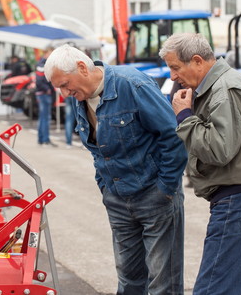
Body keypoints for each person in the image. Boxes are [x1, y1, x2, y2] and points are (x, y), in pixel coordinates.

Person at [44, 44, 188, 295]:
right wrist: (105, 187)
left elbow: (173, 136)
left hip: (155, 196)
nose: (65, 93)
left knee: (163, 282)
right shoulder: (82, 99)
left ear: (82, 68)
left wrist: (165, 188)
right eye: (59, 88)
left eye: (65, 84)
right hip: (119, 200)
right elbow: (98, 149)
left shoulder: (131, 85)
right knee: (129, 279)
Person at [160, 33, 241, 295]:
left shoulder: (224, 89)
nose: (173, 76)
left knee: (213, 288)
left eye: (175, 67)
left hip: (238, 198)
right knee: (240, 287)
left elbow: (218, 149)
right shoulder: (222, 85)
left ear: (196, 61)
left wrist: (184, 116)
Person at [35, 49, 56, 146]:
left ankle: (41, 139)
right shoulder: (42, 64)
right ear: (46, 53)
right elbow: (39, 80)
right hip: (44, 94)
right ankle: (45, 139)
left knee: (42, 117)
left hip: (42, 93)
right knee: (45, 117)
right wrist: (47, 89)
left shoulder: (41, 64)